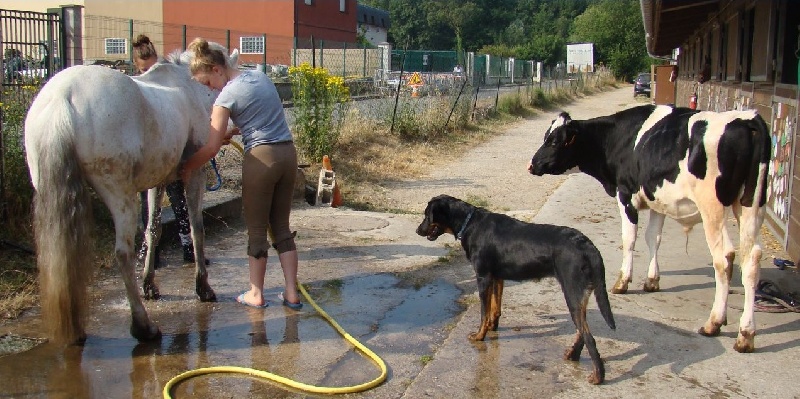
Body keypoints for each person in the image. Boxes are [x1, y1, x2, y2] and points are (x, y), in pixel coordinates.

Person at [181, 37, 302, 309]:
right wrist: (235, 130)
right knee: (281, 227)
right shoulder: (260, 77)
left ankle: (256, 294)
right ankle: (292, 293)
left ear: (216, 69)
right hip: (287, 154)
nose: (210, 89)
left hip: (261, 160)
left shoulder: (226, 96)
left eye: (207, 82)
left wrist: (186, 166)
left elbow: (211, 147)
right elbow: (262, 118)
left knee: (257, 231)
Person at [132, 34, 207, 266]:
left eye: (153, 65)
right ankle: (152, 252)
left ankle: (188, 245)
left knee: (178, 198)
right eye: (145, 68)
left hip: (172, 146)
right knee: (149, 204)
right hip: (153, 151)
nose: (150, 71)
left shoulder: (167, 79)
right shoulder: (137, 86)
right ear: (137, 66)